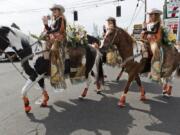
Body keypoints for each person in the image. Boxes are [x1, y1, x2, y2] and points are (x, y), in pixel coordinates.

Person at [42, 4, 67, 88]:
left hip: (60, 39)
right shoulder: (54, 20)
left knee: (53, 50)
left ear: (59, 11)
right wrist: (45, 24)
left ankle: (57, 70)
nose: (53, 11)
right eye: (53, 10)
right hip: (53, 38)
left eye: (55, 10)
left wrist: (48, 32)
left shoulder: (61, 18)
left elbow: (58, 29)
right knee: (43, 48)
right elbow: (50, 29)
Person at [141, 8, 163, 81]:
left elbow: (155, 31)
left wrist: (146, 32)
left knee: (155, 52)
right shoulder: (148, 23)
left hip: (154, 41)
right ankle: (142, 68)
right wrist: (143, 29)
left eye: (151, 14)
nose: (150, 16)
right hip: (146, 40)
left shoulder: (157, 23)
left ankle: (155, 71)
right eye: (149, 14)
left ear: (156, 15)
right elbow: (144, 30)